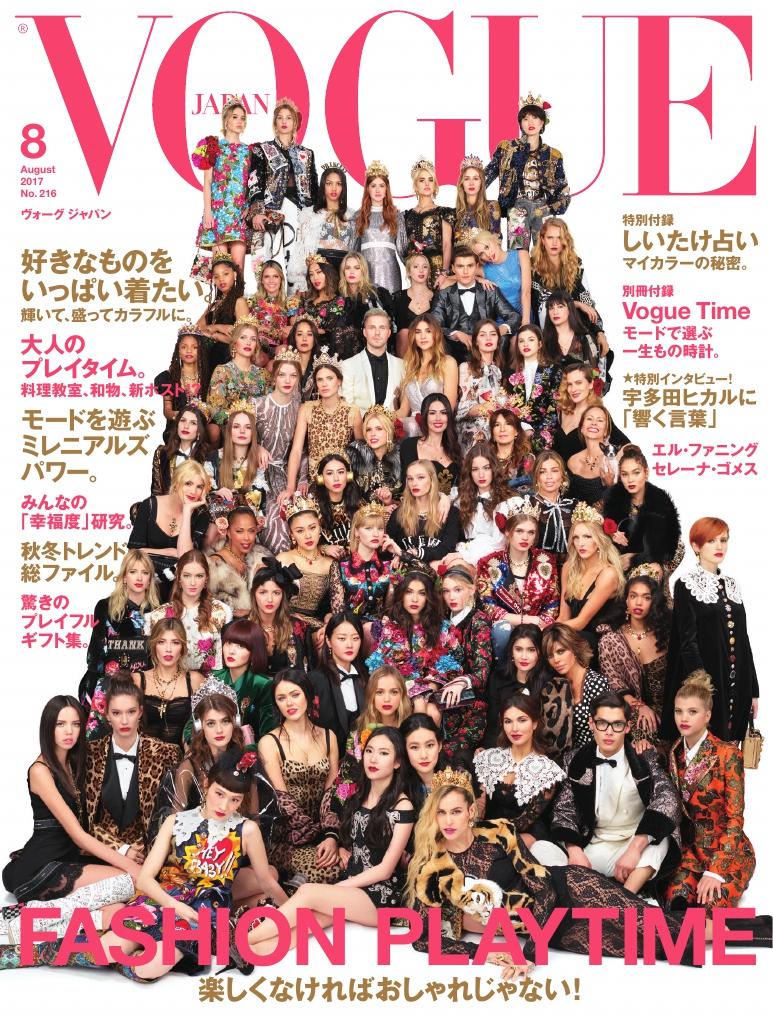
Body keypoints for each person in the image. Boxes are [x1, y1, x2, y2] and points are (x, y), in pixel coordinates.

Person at [22, 750, 286, 982]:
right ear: (206, 784)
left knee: (148, 968)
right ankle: (33, 951)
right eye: (219, 794)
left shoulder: (246, 830)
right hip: (162, 898)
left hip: (201, 914)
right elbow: (146, 878)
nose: (224, 805)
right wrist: (173, 905)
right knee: (105, 951)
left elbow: (265, 880)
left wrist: (295, 912)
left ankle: (128, 955)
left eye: (235, 800)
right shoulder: (176, 821)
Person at [406, 778, 708, 975]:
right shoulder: (431, 869)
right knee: (646, 946)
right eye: (442, 813)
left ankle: (735, 931)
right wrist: (483, 953)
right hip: (551, 928)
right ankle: (735, 928)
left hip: (569, 888)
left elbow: (544, 887)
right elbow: (423, 940)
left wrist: (529, 953)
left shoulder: (499, 831)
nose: (448, 820)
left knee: (655, 924)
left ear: (470, 811)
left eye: (456, 811)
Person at [243, 727, 414, 964]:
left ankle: (240, 940)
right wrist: (342, 849)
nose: (373, 759)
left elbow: (385, 869)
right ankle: (251, 952)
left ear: (397, 762)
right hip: (352, 887)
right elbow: (355, 838)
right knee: (309, 921)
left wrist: (341, 886)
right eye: (370, 751)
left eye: (384, 753)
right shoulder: (359, 795)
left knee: (308, 892)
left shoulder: (402, 806)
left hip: (381, 896)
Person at [1, 696, 137, 937]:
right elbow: (78, 834)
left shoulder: (74, 764)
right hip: (42, 865)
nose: (69, 731)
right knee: (127, 881)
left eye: (75, 724)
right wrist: (130, 866)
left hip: (69, 857)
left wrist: (124, 850)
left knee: (116, 909)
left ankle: (60, 921)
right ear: (48, 727)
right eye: (60, 724)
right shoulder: (40, 770)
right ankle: (22, 920)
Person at [550, 692, 681, 894]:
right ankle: (600, 893)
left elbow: (668, 799)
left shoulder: (644, 757)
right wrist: (574, 850)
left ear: (627, 727)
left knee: (663, 836)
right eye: (602, 723)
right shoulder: (575, 760)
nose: (609, 732)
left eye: (617, 724)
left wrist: (635, 848)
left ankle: (626, 897)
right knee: (543, 851)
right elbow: (564, 809)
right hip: (597, 844)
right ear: (591, 724)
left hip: (635, 846)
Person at [660, 517, 759, 744]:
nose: (719, 546)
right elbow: (687, 640)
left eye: (723, 540)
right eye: (711, 541)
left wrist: (753, 690)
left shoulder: (732, 584)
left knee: (731, 748)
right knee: (708, 743)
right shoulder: (686, 584)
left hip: (738, 679)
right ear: (696, 546)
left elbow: (743, 640)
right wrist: (703, 686)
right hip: (709, 679)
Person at [153, 679, 279, 852]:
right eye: (211, 723)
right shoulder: (190, 767)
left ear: (235, 722)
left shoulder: (246, 762)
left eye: (225, 721)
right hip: (196, 848)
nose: (219, 730)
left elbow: (254, 819)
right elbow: (175, 822)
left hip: (237, 848)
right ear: (200, 726)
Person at [665, 670, 756, 911]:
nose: (683, 718)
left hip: (728, 854)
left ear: (707, 715)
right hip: (691, 855)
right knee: (675, 904)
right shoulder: (674, 751)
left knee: (709, 909)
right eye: (678, 711)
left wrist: (715, 871)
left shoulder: (728, 754)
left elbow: (735, 819)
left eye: (692, 712)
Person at [257, 670, 341, 885]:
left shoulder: (329, 736)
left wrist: (331, 836)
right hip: (289, 838)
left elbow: (332, 792)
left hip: (326, 831)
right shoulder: (269, 742)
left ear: (308, 695)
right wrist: (317, 833)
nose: (289, 703)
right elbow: (282, 800)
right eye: (281, 698)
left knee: (350, 864)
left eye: (295, 695)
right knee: (327, 871)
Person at [83, 675, 180, 859]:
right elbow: (83, 820)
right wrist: (121, 849)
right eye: (116, 713)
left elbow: (170, 814)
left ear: (140, 712)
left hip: (149, 855)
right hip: (100, 853)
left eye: (131, 712)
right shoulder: (90, 754)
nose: (125, 720)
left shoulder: (165, 753)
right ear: (107, 714)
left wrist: (146, 846)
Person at [473, 692, 566, 856]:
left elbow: (526, 820)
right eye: (508, 721)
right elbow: (480, 805)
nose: (514, 728)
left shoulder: (548, 770)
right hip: (489, 830)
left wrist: (490, 835)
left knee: (500, 853)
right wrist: (474, 829)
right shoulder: (489, 758)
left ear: (535, 723)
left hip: (528, 833)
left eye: (522, 720)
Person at [366, 567, 465, 717]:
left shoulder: (441, 628)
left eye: (421, 593)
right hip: (397, 691)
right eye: (409, 592)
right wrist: (415, 691)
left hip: (433, 690)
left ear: (428, 597)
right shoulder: (390, 628)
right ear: (401, 595)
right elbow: (380, 665)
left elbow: (456, 660)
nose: (414, 599)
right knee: (419, 704)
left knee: (432, 711)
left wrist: (431, 685)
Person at [476, 494, 560, 660]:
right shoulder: (488, 563)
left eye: (531, 532)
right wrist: (527, 620)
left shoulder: (546, 560)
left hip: (539, 629)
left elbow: (553, 604)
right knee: (503, 630)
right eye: (519, 531)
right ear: (508, 532)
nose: (525, 537)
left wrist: (538, 624)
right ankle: (503, 671)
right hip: (506, 630)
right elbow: (489, 607)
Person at [484, 92, 571, 246]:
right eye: (525, 118)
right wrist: (471, 194)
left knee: (545, 251)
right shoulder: (507, 149)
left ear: (542, 122)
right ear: (520, 123)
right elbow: (487, 175)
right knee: (517, 251)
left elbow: (562, 189)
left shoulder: (553, 155)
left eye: (535, 117)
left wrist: (554, 206)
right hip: (517, 207)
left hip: (543, 207)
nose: (530, 122)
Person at [598, 573, 671, 751]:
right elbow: (614, 683)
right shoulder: (611, 640)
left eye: (646, 597)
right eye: (633, 596)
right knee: (643, 740)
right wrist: (641, 707)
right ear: (626, 600)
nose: (638, 603)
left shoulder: (665, 634)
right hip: (632, 710)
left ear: (654, 602)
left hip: (670, 710)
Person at [79, 550, 158, 706]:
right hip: (109, 681)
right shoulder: (105, 606)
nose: (139, 578)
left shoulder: (158, 612)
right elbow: (95, 653)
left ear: (150, 579)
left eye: (145, 572)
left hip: (145, 683)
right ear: (124, 576)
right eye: (133, 572)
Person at [127, 460, 212, 603]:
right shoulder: (150, 505)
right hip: (146, 579)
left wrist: (187, 512)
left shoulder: (201, 515)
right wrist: (171, 552)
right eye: (188, 484)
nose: (193, 491)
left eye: (199, 487)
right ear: (177, 482)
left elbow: (186, 558)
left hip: (180, 584)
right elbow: (133, 553)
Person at [246, 97, 317, 261]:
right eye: (280, 117)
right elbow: (254, 183)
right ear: (275, 123)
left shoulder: (306, 154)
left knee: (296, 260)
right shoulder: (262, 149)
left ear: (295, 123)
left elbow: (314, 188)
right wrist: (257, 213)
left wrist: (315, 214)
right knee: (269, 259)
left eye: (289, 118)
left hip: (300, 212)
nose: (284, 121)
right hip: (271, 211)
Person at [282, 348, 363, 494]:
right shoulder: (306, 408)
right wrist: (290, 487)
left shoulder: (352, 411)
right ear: (315, 384)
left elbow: (361, 454)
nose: (324, 384)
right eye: (320, 379)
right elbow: (296, 450)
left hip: (342, 479)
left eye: (330, 378)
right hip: (315, 479)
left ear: (339, 381)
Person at [438, 562, 492, 765]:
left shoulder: (478, 621)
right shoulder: (442, 619)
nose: (451, 597)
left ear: (471, 590)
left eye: (458, 590)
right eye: (446, 591)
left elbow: (482, 670)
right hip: (443, 703)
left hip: (471, 706)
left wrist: (462, 682)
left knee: (451, 755)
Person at [603, 444, 682, 581]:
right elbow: (591, 523)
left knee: (650, 571)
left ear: (646, 473)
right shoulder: (612, 500)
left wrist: (635, 559)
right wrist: (610, 533)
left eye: (636, 472)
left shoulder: (661, 504)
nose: (630, 479)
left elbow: (674, 548)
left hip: (650, 570)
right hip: (615, 568)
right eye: (625, 474)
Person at [144, 551, 232, 673]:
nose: (193, 582)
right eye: (187, 575)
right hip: (170, 682)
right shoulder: (158, 615)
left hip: (210, 683)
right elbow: (152, 662)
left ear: (206, 579)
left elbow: (223, 661)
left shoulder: (221, 612)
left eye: (199, 576)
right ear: (179, 578)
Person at [430, 246, 520, 364]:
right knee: (440, 341)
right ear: (453, 268)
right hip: (454, 354)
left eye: (470, 266)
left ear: (477, 266)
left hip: (488, 353)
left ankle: (494, 373)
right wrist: (456, 334)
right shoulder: (443, 295)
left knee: (502, 339)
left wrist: (498, 331)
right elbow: (434, 324)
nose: (465, 271)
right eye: (460, 266)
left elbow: (514, 316)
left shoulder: (490, 291)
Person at [191, 96, 251, 271]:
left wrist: (248, 206)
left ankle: (239, 291)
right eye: (235, 117)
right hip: (218, 214)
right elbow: (207, 182)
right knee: (221, 270)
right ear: (226, 120)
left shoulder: (249, 151)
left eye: (242, 118)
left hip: (239, 215)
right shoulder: (214, 146)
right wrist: (208, 213)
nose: (239, 121)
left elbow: (251, 184)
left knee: (238, 270)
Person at [252, 348, 303, 553]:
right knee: (271, 520)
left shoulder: (299, 408)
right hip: (257, 474)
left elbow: (298, 450)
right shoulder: (258, 405)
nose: (287, 380)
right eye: (282, 374)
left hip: (284, 475)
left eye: (293, 375)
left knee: (291, 517)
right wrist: (257, 447)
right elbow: (238, 437)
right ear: (274, 376)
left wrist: (292, 486)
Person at [558, 503, 625, 654]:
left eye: (587, 537)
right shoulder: (568, 567)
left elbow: (581, 622)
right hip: (570, 634)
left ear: (599, 540)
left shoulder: (608, 573)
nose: (580, 543)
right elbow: (563, 616)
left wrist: (548, 630)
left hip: (600, 642)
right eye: (576, 538)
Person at [540, 623, 612, 757]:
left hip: (595, 756)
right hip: (563, 758)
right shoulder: (553, 686)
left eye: (560, 651)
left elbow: (606, 730)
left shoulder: (596, 683)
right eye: (550, 655)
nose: (556, 660)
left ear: (574, 648)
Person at [483, 624, 554, 747]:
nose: (524, 657)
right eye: (518, 649)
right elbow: (493, 722)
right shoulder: (498, 678)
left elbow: (548, 730)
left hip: (535, 748)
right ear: (511, 651)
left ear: (539, 653)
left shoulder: (549, 683)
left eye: (531, 650)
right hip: (500, 745)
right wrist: (486, 748)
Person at [531, 217, 605, 333]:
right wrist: (576, 304)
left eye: (559, 238)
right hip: (545, 327)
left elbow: (586, 300)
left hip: (573, 323)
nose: (554, 243)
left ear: (565, 240)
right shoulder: (533, 267)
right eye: (550, 237)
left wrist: (599, 332)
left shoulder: (575, 265)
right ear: (542, 240)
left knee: (596, 336)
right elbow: (543, 305)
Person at [329, 502, 398, 628]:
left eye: (380, 528)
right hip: (349, 631)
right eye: (368, 528)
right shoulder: (340, 566)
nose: (376, 534)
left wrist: (399, 552)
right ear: (356, 532)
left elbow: (429, 574)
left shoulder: (388, 566)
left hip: (381, 632)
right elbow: (338, 615)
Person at [288, 162, 355, 290]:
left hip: (344, 273)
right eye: (329, 183)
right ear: (323, 186)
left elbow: (355, 250)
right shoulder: (310, 215)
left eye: (338, 184)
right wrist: (300, 282)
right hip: (319, 271)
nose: (334, 188)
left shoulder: (352, 216)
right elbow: (301, 251)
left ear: (344, 187)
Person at [309, 612, 368, 755]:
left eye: (355, 638)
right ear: (328, 641)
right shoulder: (314, 681)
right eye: (342, 638)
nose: (350, 644)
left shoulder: (366, 678)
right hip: (324, 758)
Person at [206, 619, 276, 741]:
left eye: (241, 646)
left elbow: (268, 732)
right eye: (228, 643)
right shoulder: (215, 678)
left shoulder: (262, 685)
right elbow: (194, 720)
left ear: (253, 651)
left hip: (250, 748)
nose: (231, 651)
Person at [205, 320, 271, 440]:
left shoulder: (263, 374)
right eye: (243, 337)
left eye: (253, 339)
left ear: (256, 345)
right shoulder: (222, 371)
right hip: (229, 431)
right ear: (235, 342)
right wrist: (239, 420)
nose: (248, 342)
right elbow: (214, 409)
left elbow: (270, 408)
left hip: (257, 431)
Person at [387, 461, 461, 567]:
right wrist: (398, 554)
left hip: (438, 571)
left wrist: (414, 553)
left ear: (432, 480)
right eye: (410, 479)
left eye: (420, 477)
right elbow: (386, 550)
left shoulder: (451, 513)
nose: (414, 483)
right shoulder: (398, 514)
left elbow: (447, 549)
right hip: (405, 572)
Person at [553, 361, 628, 462]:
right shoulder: (562, 411)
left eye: (578, 383)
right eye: (570, 384)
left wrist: (607, 463)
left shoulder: (598, 414)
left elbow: (626, 446)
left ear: (590, 384)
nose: (573, 389)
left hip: (582, 472)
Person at [454, 442, 514, 565]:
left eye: (486, 468)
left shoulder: (506, 501)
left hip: (493, 560)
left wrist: (463, 555)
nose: (481, 475)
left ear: (494, 469)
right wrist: (443, 499)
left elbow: (499, 543)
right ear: (469, 472)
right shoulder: (461, 498)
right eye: (475, 469)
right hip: (465, 554)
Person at [505, 324, 562, 453]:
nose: (526, 344)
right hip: (516, 428)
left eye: (531, 340)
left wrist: (538, 433)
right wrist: (522, 429)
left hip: (544, 429)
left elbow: (553, 408)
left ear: (540, 344)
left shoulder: (554, 370)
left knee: (540, 445)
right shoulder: (509, 371)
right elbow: (508, 405)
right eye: (521, 341)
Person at [395, 316, 459, 428]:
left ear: (436, 334)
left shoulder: (448, 363)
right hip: (412, 428)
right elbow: (403, 411)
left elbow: (449, 407)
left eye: (428, 331)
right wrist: (381, 416)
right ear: (413, 336)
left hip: (437, 428)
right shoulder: (410, 365)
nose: (423, 336)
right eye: (418, 332)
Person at [353, 160, 407, 293]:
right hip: (365, 273)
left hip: (390, 273)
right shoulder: (358, 216)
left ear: (386, 189)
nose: (377, 190)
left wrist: (415, 268)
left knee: (390, 303)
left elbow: (402, 249)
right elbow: (353, 250)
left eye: (381, 186)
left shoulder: (396, 216)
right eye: (373, 185)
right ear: (367, 188)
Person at [249, 559, 310, 674]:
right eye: (263, 592)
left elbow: (307, 670)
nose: (270, 599)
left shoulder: (299, 627)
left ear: (283, 596)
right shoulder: (242, 627)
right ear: (254, 594)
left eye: (276, 593)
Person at [399, 158, 453, 287]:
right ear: (415, 186)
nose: (427, 184)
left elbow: (447, 244)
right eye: (422, 180)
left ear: (435, 185)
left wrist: (444, 272)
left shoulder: (443, 212)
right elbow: (404, 248)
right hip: (417, 272)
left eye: (431, 180)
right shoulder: (406, 216)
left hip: (438, 271)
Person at [154, 324, 212, 441]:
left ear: (201, 350)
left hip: (202, 428)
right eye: (184, 347)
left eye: (194, 347)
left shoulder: (209, 376)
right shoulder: (168, 377)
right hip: (177, 429)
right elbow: (167, 411)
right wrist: (182, 417)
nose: (189, 351)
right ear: (178, 351)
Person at [456, 319, 506, 454]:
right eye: (483, 335)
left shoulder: (499, 371)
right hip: (472, 427)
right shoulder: (466, 368)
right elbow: (462, 408)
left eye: (493, 334)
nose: (488, 338)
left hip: (496, 425)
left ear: (498, 341)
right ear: (476, 342)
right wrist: (487, 408)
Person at [341, 307, 403, 415]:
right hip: (360, 424)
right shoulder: (348, 365)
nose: (377, 333)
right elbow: (348, 407)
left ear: (389, 332)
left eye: (382, 328)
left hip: (393, 424)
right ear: (365, 332)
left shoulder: (402, 365)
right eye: (372, 327)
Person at [195, 251, 250, 370]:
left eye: (225, 274)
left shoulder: (239, 301)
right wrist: (219, 328)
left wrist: (215, 333)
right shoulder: (214, 304)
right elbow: (196, 329)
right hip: (208, 356)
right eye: (216, 276)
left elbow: (246, 339)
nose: (221, 279)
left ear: (234, 274)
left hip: (226, 359)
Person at [206, 506, 266, 615]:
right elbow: (207, 609)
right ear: (228, 532)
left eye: (251, 531)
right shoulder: (214, 566)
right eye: (239, 531)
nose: (246, 537)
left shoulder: (261, 559)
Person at [399, 393, 462, 497]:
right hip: (418, 505)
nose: (438, 418)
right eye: (432, 413)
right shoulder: (409, 446)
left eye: (443, 413)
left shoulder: (455, 448)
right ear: (425, 416)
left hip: (449, 505)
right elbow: (405, 487)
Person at [338, 251, 395, 359]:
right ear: (343, 272)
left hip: (373, 350)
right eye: (347, 268)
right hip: (346, 354)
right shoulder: (339, 298)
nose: (351, 272)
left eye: (357, 268)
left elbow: (389, 325)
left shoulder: (376, 294)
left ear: (363, 271)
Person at [542, 290, 608, 382]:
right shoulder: (543, 341)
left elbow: (595, 372)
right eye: (551, 308)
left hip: (583, 389)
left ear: (570, 309)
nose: (555, 312)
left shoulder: (585, 338)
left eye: (560, 306)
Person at [346, 404, 403, 506]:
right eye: (368, 429)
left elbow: (407, 500)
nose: (373, 434)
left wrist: (390, 502)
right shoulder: (355, 455)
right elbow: (348, 496)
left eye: (379, 429)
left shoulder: (401, 456)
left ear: (389, 431)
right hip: (361, 513)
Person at [471, 229, 532, 322]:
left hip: (525, 316)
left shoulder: (521, 255)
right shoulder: (483, 269)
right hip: (502, 321)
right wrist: (479, 279)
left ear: (494, 240)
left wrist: (525, 322)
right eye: (481, 254)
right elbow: (457, 275)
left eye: (487, 247)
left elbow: (526, 292)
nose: (487, 254)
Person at [293, 256, 351, 353]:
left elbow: (332, 333)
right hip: (300, 349)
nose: (315, 278)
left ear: (328, 273)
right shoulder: (305, 300)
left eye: (319, 272)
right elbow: (295, 324)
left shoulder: (338, 302)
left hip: (325, 352)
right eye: (311, 274)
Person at [150, 404, 210, 497]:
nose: (186, 426)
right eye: (182, 420)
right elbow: (156, 491)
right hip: (167, 504)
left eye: (193, 423)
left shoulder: (206, 456)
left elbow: (208, 491)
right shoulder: (161, 453)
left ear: (199, 431)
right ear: (177, 424)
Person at [311, 451, 362, 559]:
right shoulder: (313, 507)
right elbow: (303, 540)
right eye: (329, 473)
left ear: (348, 475)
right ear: (321, 478)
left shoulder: (358, 502)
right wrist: (324, 548)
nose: (336, 478)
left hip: (356, 559)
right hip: (325, 561)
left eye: (341, 472)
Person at [566, 405, 618, 505]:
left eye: (600, 420)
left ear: (606, 431)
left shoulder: (612, 461)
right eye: (589, 419)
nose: (594, 423)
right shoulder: (572, 461)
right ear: (581, 427)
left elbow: (623, 501)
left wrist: (610, 485)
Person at [531, 449, 575, 558]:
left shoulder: (573, 506)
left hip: (569, 566)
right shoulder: (528, 505)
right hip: (536, 566)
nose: (549, 476)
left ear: (562, 476)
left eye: (554, 471)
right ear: (537, 477)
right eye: (542, 472)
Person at [392, 251, 435, 356]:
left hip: (431, 353)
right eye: (416, 267)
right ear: (408, 272)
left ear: (429, 271)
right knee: (404, 333)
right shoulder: (397, 298)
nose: (421, 270)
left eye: (425, 267)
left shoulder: (438, 297)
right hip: (405, 356)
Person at [453, 154, 502, 246]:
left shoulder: (492, 207)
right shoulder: (455, 214)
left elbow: (496, 243)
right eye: (467, 179)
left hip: (486, 255)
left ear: (481, 183)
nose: (471, 183)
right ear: (462, 184)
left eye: (475, 178)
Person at [245, 260, 292, 354]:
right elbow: (244, 327)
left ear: (281, 279)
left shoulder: (290, 304)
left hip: (279, 350)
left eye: (275, 276)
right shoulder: (251, 302)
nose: (271, 280)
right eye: (267, 276)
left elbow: (294, 330)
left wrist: (265, 329)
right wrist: (263, 329)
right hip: (255, 348)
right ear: (262, 280)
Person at [488, 406, 534, 489]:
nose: (502, 429)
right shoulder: (484, 458)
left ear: (516, 431)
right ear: (492, 433)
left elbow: (530, 489)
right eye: (497, 425)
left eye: (508, 424)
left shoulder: (527, 459)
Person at [286, 317, 320, 401]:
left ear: (314, 339)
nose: (304, 339)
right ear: (294, 338)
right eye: (299, 334)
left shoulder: (321, 366)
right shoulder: (285, 365)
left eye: (309, 334)